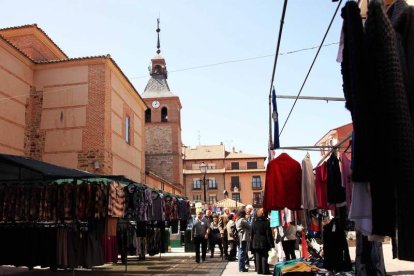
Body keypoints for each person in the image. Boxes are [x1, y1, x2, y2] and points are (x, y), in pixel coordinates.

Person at [251, 208, 274, 275]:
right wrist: (271, 244)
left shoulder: (254, 222)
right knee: (264, 256)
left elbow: (252, 233)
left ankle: (259, 270)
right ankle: (265, 271)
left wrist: (252, 242)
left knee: (257, 256)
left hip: (255, 241)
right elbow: (268, 234)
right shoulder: (266, 222)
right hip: (264, 241)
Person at [236, 208, 251, 272]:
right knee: (242, 252)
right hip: (242, 238)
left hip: (239, 238)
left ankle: (241, 268)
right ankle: (241, 268)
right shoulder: (242, 220)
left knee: (240, 252)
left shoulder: (238, 220)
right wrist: (247, 219)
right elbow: (249, 226)